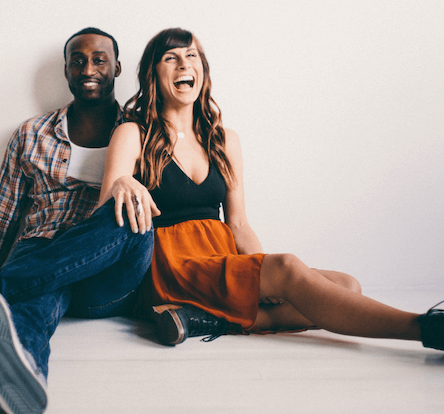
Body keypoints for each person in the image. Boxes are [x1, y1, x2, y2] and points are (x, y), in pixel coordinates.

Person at [97, 28, 444, 351]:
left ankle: (199, 319)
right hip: (168, 262)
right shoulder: (133, 132)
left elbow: (238, 224)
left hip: (219, 254)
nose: (184, 64)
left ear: (203, 69)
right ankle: (424, 328)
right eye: (171, 58)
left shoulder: (224, 140)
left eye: (192, 56)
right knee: (289, 268)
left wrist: (261, 272)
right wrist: (122, 181)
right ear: (153, 74)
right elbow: (102, 213)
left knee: (347, 285)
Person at [0, 28, 155, 413]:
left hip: (108, 278)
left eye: (99, 59)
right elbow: (0, 216)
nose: (88, 67)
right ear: (67, 70)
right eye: (78, 59)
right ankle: (16, 378)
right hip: (42, 255)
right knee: (34, 303)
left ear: (117, 68)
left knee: (130, 214)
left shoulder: (145, 131)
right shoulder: (32, 133)